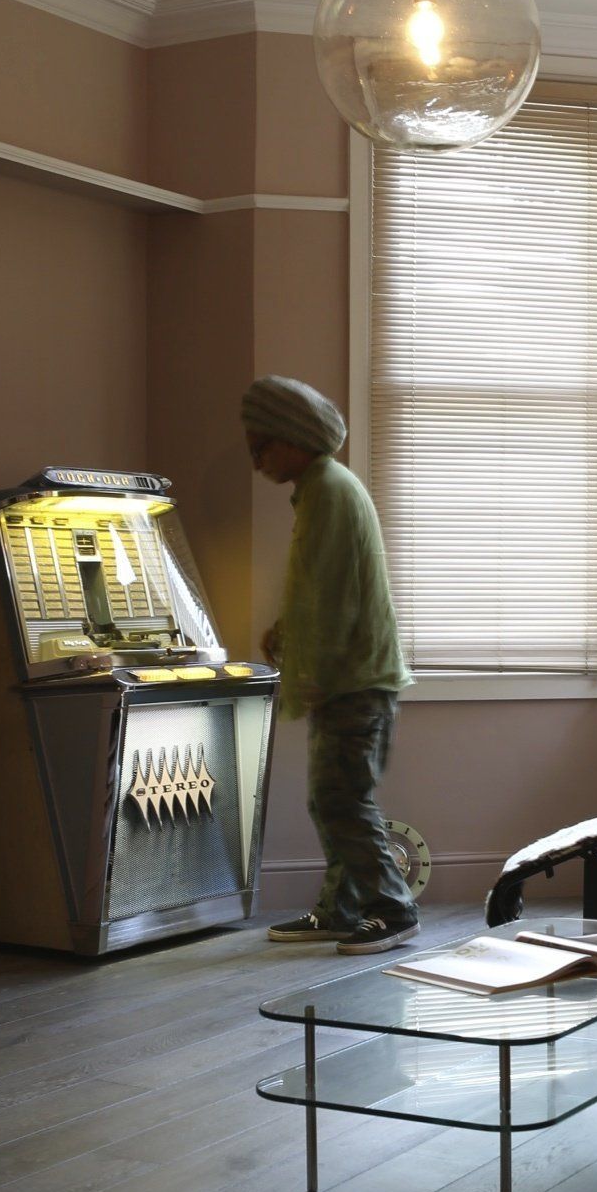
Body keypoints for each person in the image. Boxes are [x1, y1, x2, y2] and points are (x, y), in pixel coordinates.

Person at [241, 374, 419, 955]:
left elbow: (335, 597)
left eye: (261, 443)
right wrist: (287, 633)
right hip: (353, 676)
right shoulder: (323, 487)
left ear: (293, 437)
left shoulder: (327, 490)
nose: (256, 457)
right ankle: (341, 910)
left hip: (353, 680)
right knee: (334, 797)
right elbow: (320, 584)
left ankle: (391, 908)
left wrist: (313, 669)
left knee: (342, 799)